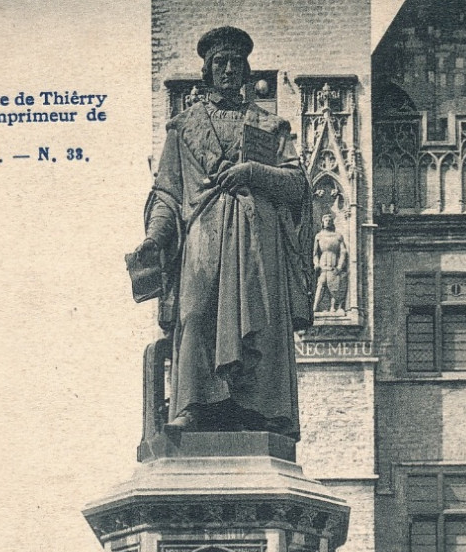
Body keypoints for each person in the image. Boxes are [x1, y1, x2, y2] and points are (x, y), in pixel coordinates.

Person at [129, 26, 314, 438]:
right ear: (207, 71)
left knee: (262, 323)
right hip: (204, 239)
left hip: (258, 243)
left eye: (236, 62)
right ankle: (193, 405)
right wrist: (155, 237)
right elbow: (166, 193)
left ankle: (265, 410)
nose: (228, 69)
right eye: (220, 62)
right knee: (194, 315)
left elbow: (297, 183)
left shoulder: (270, 125)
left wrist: (253, 172)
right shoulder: (182, 128)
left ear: (246, 71)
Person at [313, 212, 348, 314]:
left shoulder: (338, 236)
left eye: (329, 220)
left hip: (334, 265)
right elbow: (315, 253)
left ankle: (333, 307)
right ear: (323, 222)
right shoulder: (319, 236)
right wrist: (316, 263)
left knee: (335, 287)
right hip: (324, 265)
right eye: (326, 220)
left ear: (332, 222)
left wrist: (340, 266)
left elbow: (343, 252)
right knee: (321, 284)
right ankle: (315, 307)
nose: (328, 222)